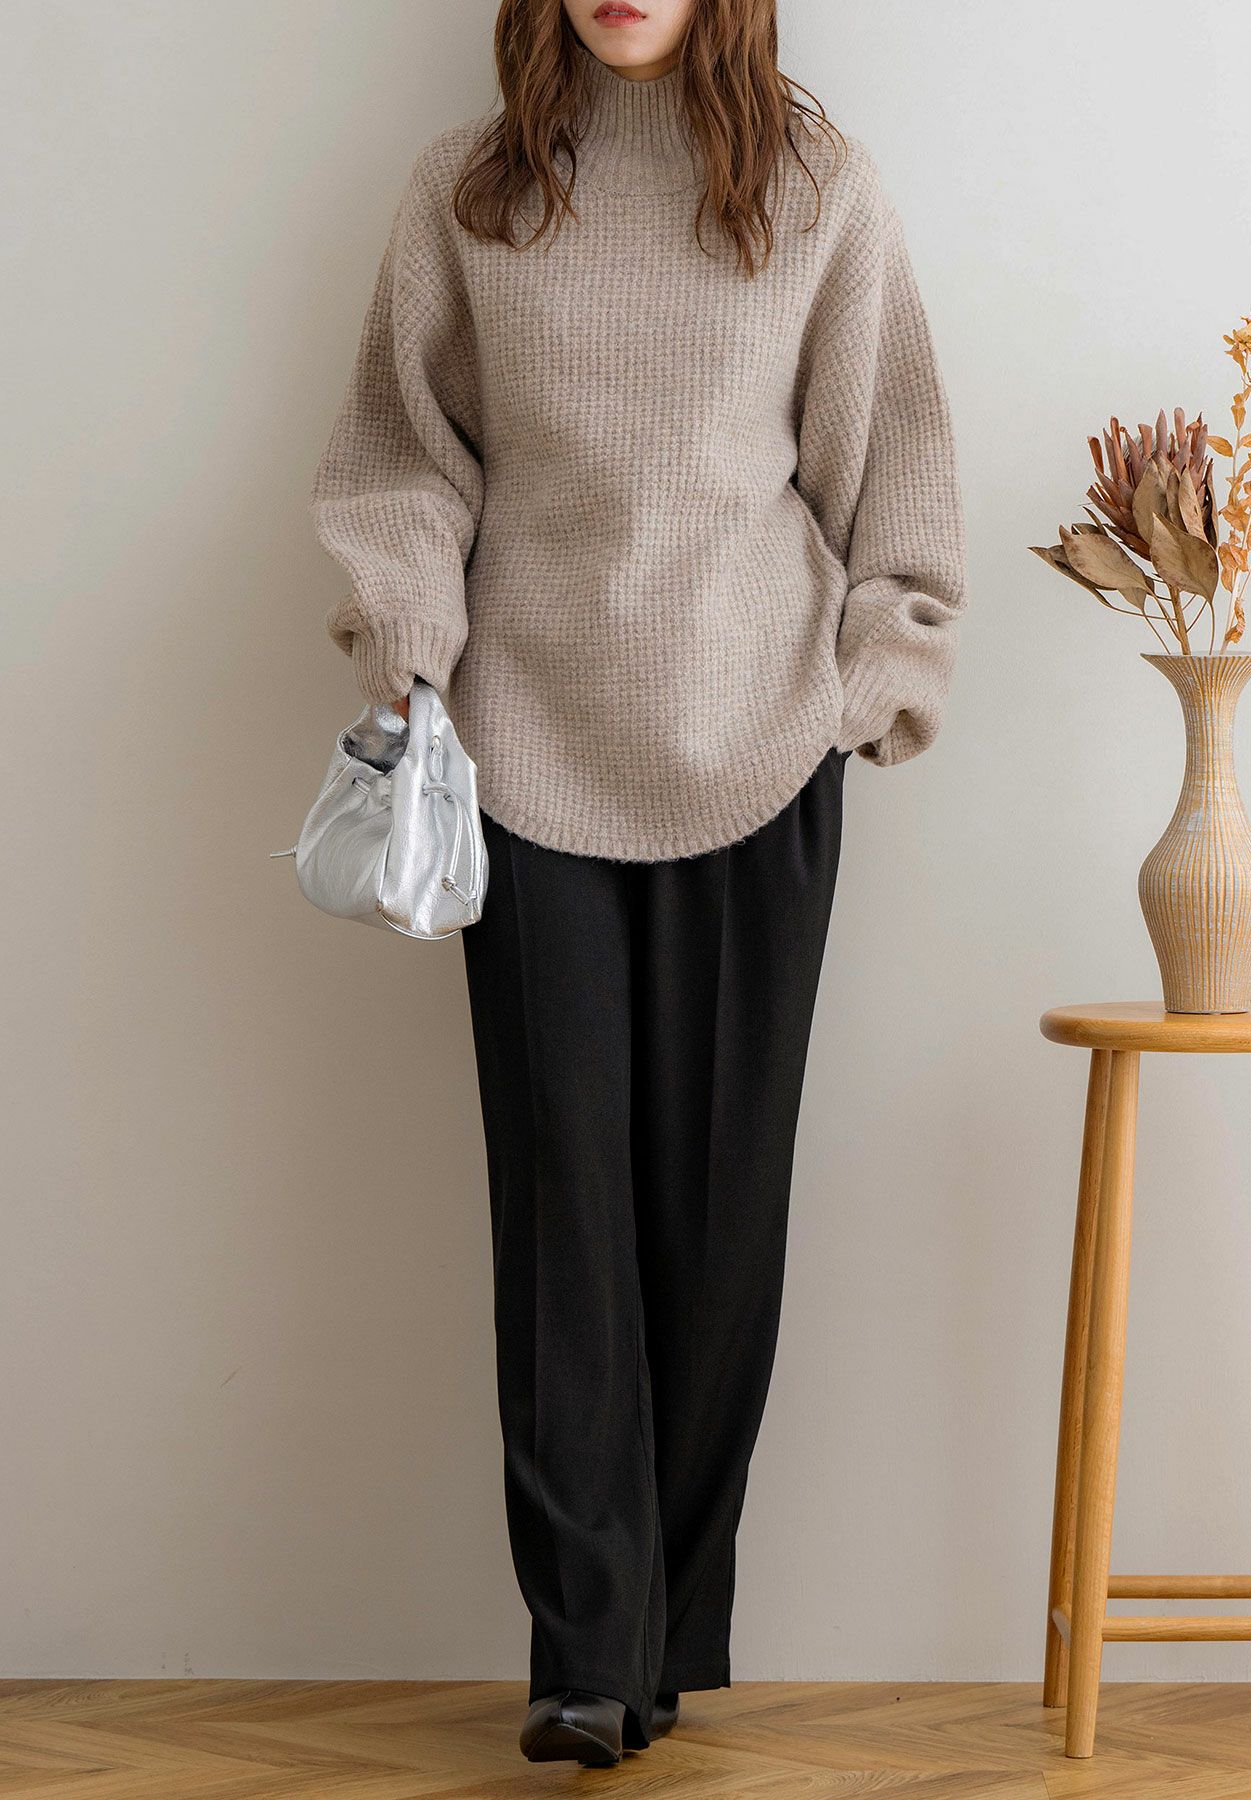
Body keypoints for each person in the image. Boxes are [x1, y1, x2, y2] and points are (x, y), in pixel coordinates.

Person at [309, 0, 965, 1766]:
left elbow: (892, 455)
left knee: (718, 1222)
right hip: (523, 756)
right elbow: (401, 458)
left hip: (761, 750)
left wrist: (876, 680)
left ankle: (663, 1633)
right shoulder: (470, 190)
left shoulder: (818, 186)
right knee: (563, 1222)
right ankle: (587, 1654)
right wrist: (409, 648)